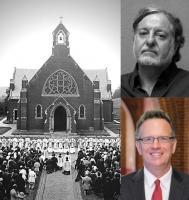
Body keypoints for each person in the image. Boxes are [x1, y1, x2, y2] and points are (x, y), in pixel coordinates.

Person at [120, 110, 189, 200]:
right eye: (148, 139)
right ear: (138, 147)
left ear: (173, 145)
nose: (155, 146)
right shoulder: (122, 186)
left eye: (163, 138)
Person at [121, 7, 189, 97]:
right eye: (143, 33)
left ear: (175, 46)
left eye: (160, 35)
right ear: (134, 40)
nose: (150, 41)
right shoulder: (121, 87)